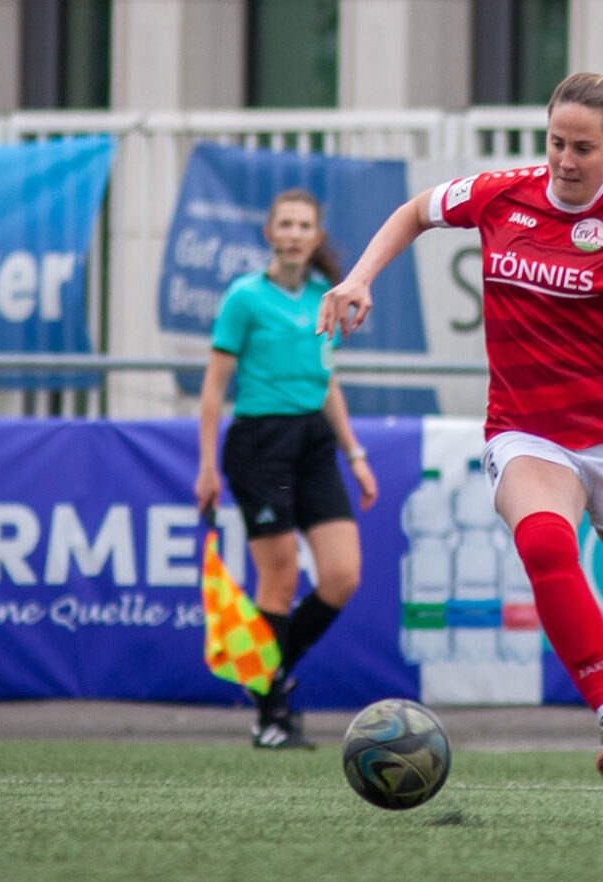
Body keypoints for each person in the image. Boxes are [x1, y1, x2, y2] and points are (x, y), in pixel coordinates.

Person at [319, 70, 603, 820]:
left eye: (583, 148)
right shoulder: (503, 193)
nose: (564, 160)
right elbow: (415, 211)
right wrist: (360, 279)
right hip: (528, 430)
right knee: (543, 541)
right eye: (556, 142)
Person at [194, 189, 378, 750]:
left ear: (315, 237)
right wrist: (206, 467)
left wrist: (355, 454)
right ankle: (271, 715)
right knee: (279, 579)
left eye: (304, 226)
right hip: (260, 443)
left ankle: (267, 673)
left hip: (314, 442)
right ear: (270, 233)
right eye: (286, 225)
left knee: (342, 575)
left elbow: (327, 380)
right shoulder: (244, 297)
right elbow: (213, 388)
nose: (295, 234)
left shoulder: (326, 296)